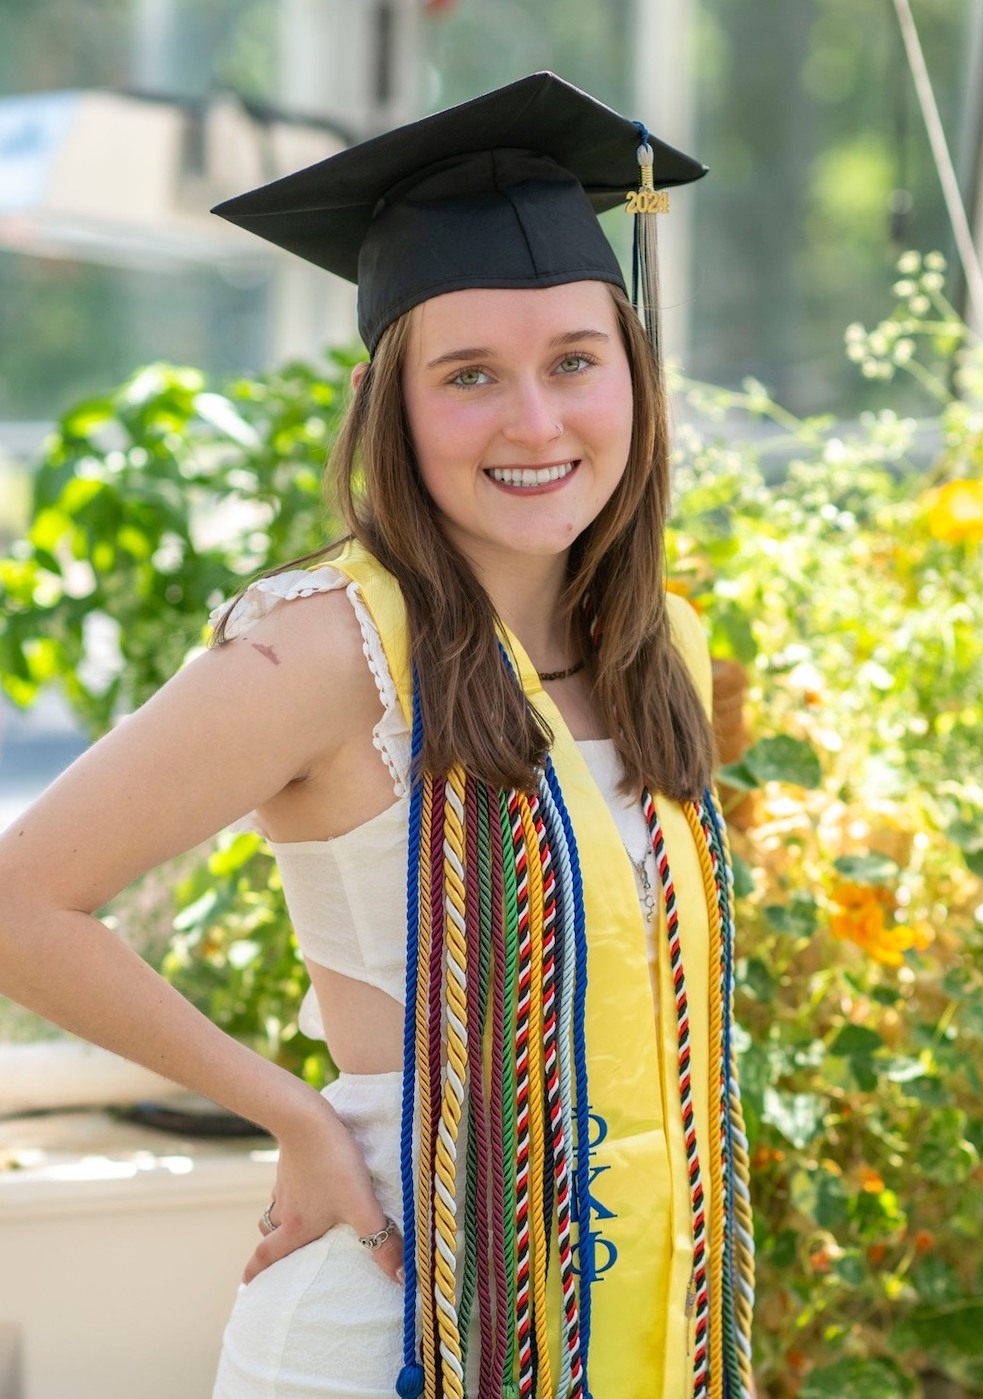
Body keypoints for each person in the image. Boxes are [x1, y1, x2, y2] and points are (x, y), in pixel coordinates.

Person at [0, 73, 754, 1399]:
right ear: (394, 407)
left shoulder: (664, 653)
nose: (535, 421)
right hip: (393, 1325)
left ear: (631, 375)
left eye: (575, 360)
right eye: (470, 375)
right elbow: (22, 904)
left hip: (637, 1320)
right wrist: (293, 1114)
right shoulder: (319, 654)